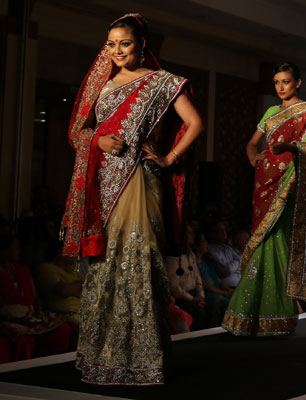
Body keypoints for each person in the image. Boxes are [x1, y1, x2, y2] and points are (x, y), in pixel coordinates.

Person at [60, 14, 203, 385]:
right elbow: (77, 133)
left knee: (138, 260)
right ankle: (103, 358)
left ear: (142, 44)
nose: (117, 51)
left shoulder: (162, 82)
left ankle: (143, 359)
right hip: (102, 185)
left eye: (124, 43)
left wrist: (169, 158)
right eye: (111, 44)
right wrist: (98, 140)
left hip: (139, 179)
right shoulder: (102, 84)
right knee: (105, 265)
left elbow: (195, 123)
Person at [222, 62, 306, 336]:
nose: (281, 87)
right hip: (264, 182)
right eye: (277, 82)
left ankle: (276, 312)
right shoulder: (270, 112)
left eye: (286, 82)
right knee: (261, 240)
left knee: (277, 238)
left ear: (297, 83)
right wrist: (253, 158)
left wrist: (291, 146)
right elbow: (251, 143)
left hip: (288, 183)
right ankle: (253, 314)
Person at [0, 234, 72, 364]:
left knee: (63, 329)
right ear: (4, 251)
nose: (19, 250)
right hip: (10, 319)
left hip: (30, 316)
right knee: (23, 341)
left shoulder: (21, 269)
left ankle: (51, 365)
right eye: (15, 247)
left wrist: (38, 311)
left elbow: (34, 296)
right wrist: (18, 319)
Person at [165, 226, 208, 330]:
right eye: (189, 233)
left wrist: (200, 295)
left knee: (210, 306)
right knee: (199, 313)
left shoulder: (191, 254)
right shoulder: (173, 257)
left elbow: (197, 277)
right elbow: (174, 287)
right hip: (182, 298)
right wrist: (193, 299)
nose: (193, 235)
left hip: (194, 295)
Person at [195, 231, 232, 326]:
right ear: (196, 246)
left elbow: (218, 279)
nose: (206, 244)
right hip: (207, 293)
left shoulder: (206, 261)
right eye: (203, 241)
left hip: (218, 291)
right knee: (228, 304)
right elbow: (203, 283)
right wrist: (223, 293)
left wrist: (228, 290)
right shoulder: (194, 263)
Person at [204, 221, 242, 288]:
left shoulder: (228, 248)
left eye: (224, 230)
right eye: (220, 230)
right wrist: (237, 261)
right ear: (212, 233)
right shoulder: (210, 249)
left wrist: (234, 262)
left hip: (240, 283)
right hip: (229, 287)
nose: (224, 233)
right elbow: (226, 270)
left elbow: (242, 259)